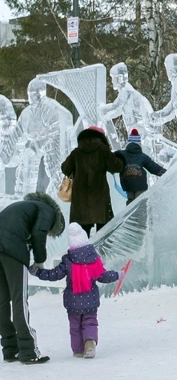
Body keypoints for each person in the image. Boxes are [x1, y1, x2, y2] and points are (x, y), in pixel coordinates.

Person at [30, 223, 121, 358]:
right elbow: (103, 276)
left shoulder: (68, 261)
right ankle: (89, 344)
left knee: (75, 326)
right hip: (91, 301)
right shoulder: (94, 260)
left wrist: (38, 272)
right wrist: (118, 274)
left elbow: (54, 275)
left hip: (73, 302)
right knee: (90, 322)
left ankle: (78, 350)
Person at [0, 192, 64, 364]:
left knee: (2, 301)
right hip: (12, 250)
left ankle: (10, 349)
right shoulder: (47, 211)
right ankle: (28, 351)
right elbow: (38, 233)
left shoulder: (24, 207)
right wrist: (40, 261)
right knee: (19, 299)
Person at [61, 126, 124, 235]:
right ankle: (101, 251)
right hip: (100, 198)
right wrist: (120, 158)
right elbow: (116, 167)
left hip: (80, 201)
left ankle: (82, 252)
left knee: (81, 236)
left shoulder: (76, 152)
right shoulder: (103, 150)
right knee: (104, 235)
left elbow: (65, 168)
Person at [114, 129, 167, 204]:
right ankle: (141, 214)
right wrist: (164, 173)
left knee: (130, 202)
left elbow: (111, 158)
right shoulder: (142, 156)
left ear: (128, 144)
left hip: (127, 184)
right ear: (139, 145)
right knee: (140, 202)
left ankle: (131, 213)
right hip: (140, 184)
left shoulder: (121, 154)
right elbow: (153, 167)